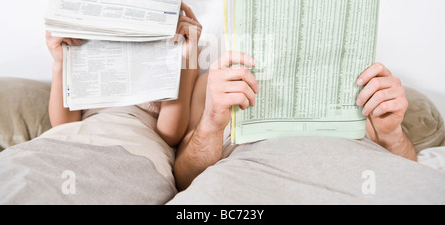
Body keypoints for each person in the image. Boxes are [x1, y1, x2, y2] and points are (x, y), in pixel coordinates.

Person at [174, 51, 417, 191]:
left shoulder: (361, 81)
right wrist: (212, 123)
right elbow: (187, 180)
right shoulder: (217, 82)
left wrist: (392, 133)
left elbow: (406, 174)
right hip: (250, 183)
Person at [45, 0, 202, 147]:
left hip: (136, 143)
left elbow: (170, 136)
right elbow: (63, 127)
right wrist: (60, 63)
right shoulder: (82, 41)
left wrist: (186, 57)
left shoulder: (185, 52)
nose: (156, 1)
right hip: (79, 138)